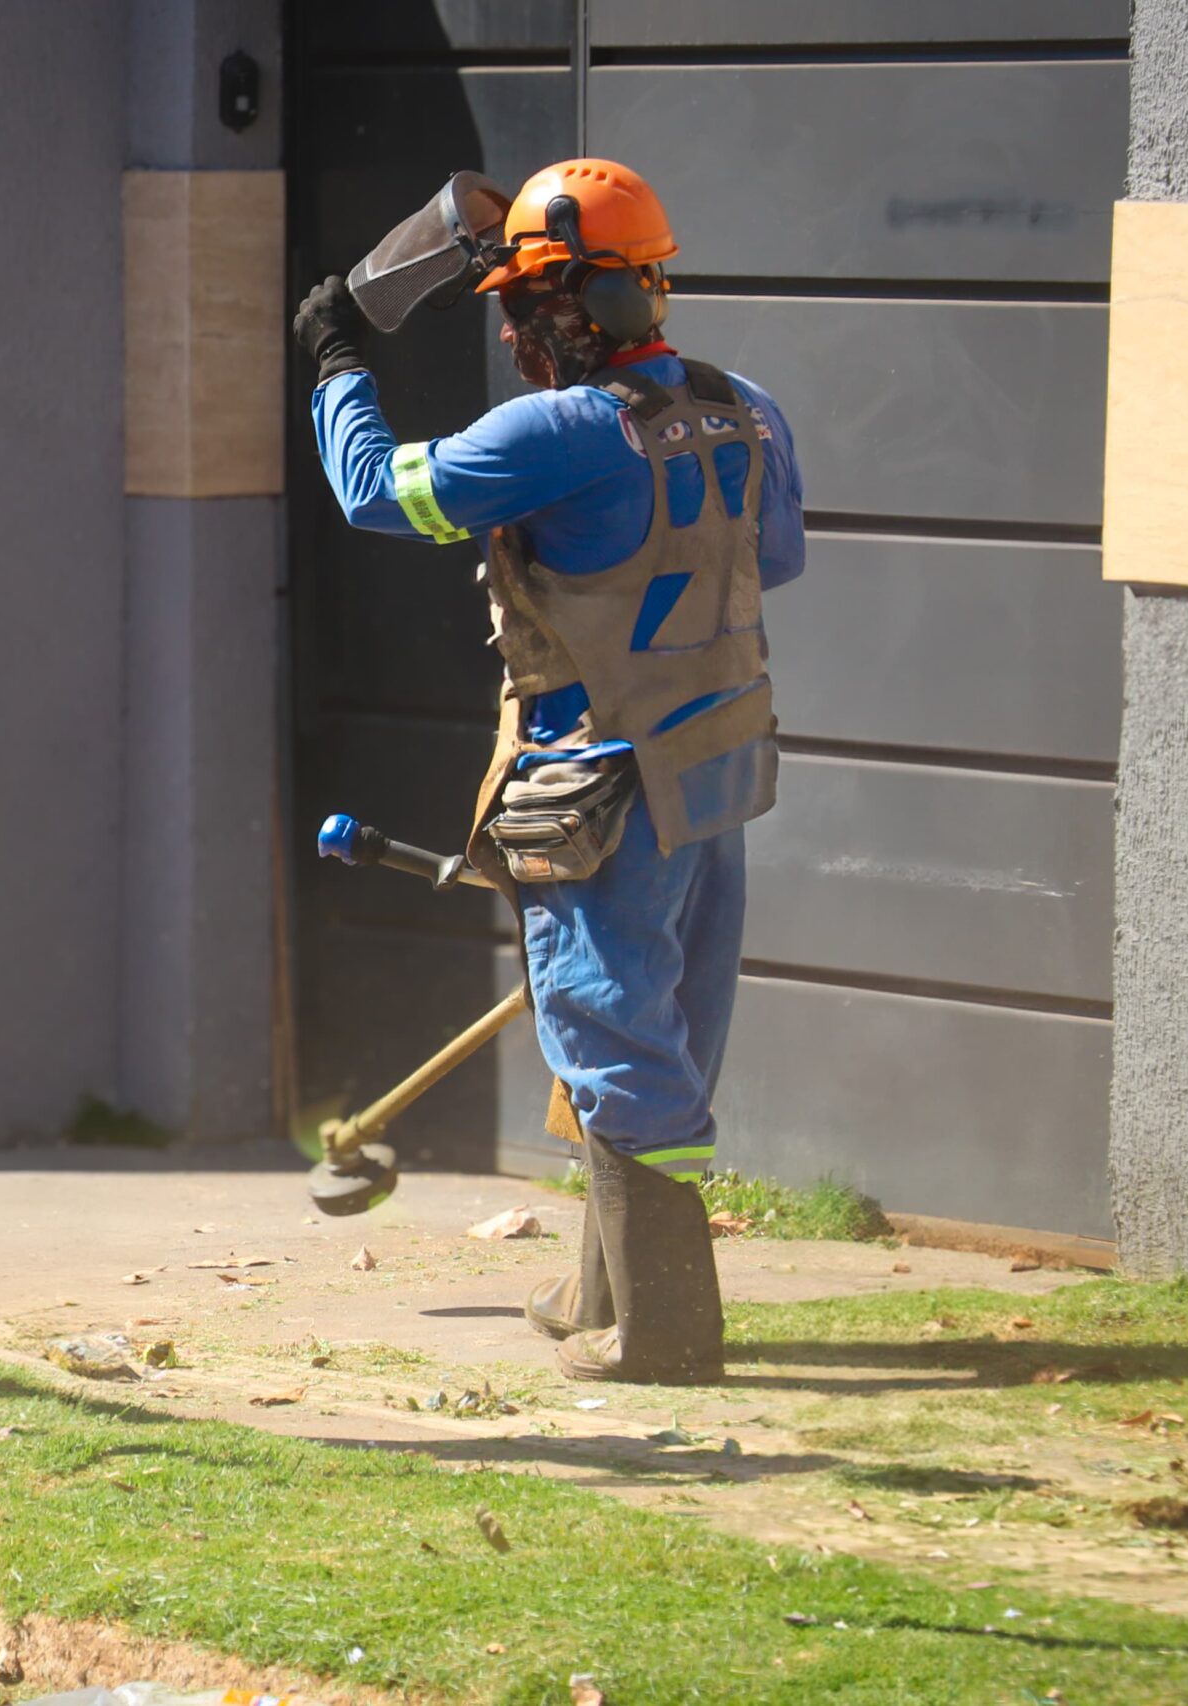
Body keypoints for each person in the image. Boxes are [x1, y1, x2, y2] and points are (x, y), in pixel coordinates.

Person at [292, 159, 804, 1383]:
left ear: (572, 304)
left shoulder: (558, 431)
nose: (516, 328)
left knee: (610, 1033)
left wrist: (334, 362)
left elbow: (376, 491)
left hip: (601, 787)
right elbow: (768, 560)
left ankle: (667, 1332)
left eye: (524, 303)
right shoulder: (749, 408)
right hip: (715, 771)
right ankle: (598, 1290)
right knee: (659, 1025)